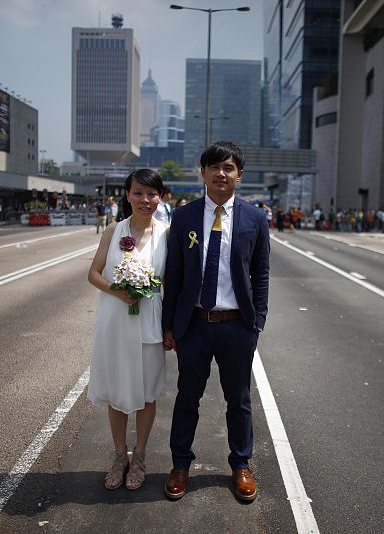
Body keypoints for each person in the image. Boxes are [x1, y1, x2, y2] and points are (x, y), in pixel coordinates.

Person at [162, 141, 270, 502]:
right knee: (186, 397)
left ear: (239, 174)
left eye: (228, 168)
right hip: (194, 324)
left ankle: (241, 464)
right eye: (214, 167)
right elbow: (174, 275)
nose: (220, 174)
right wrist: (169, 325)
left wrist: (258, 322)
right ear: (203, 172)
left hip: (236, 326)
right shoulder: (185, 216)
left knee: (238, 400)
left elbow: (261, 273)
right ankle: (180, 464)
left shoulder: (255, 218)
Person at [87, 168, 168, 492]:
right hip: (116, 321)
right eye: (138, 193)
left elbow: (172, 282)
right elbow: (93, 273)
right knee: (118, 392)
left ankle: (140, 457)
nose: (145, 200)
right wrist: (116, 290)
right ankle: (120, 456)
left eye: (151, 194)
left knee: (147, 394)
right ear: (127, 195)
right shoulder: (113, 230)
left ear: (160, 197)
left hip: (150, 321)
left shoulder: (168, 233)